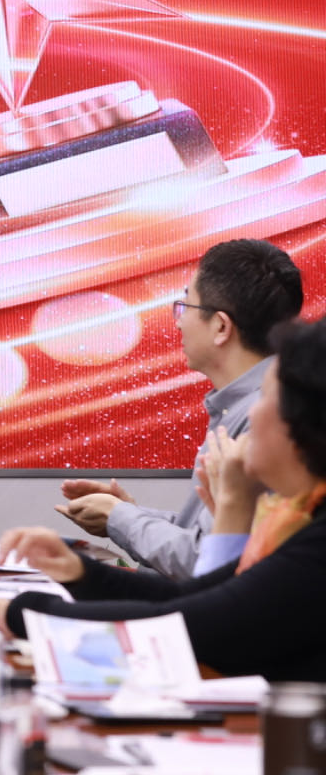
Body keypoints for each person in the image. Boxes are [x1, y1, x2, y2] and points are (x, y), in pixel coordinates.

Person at [0, 316, 326, 681]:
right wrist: (80, 573)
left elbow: (191, 626)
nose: (252, 413)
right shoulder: (295, 517)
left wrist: (19, 612)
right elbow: (195, 594)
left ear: (303, 423)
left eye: (266, 398)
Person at [54, 239, 302, 578]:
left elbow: (207, 562)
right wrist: (126, 514)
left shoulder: (268, 419)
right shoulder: (248, 406)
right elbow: (209, 536)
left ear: (221, 327)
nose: (179, 322)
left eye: (186, 306)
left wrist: (119, 517)